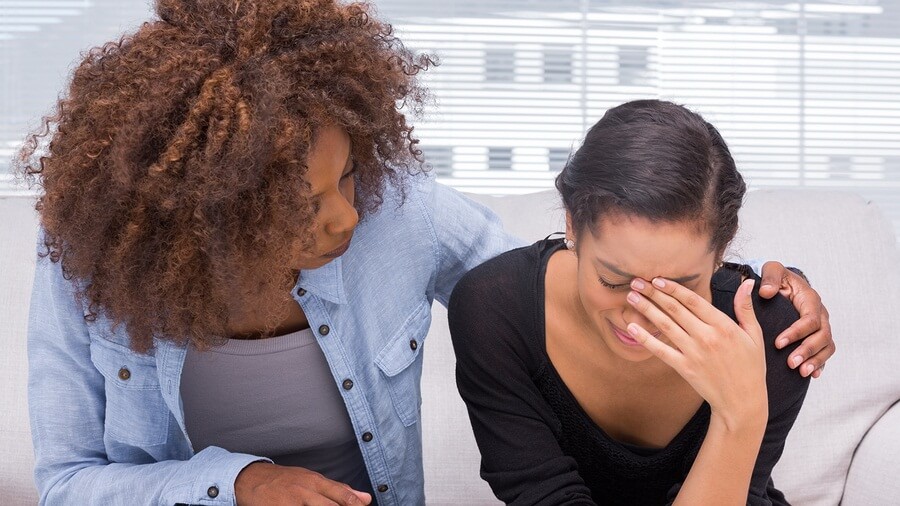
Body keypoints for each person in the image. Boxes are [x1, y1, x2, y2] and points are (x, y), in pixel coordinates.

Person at [16, 0, 833, 503]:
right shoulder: (92, 269)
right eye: (307, 206)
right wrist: (238, 484)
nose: (346, 218)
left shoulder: (396, 213)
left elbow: (562, 286)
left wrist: (748, 296)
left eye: (347, 179)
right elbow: (67, 483)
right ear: (210, 217)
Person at [449, 100, 819, 505]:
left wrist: (740, 415)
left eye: (675, 289)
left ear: (722, 251)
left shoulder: (776, 336)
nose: (638, 318)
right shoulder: (495, 310)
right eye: (612, 279)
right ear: (572, 224)